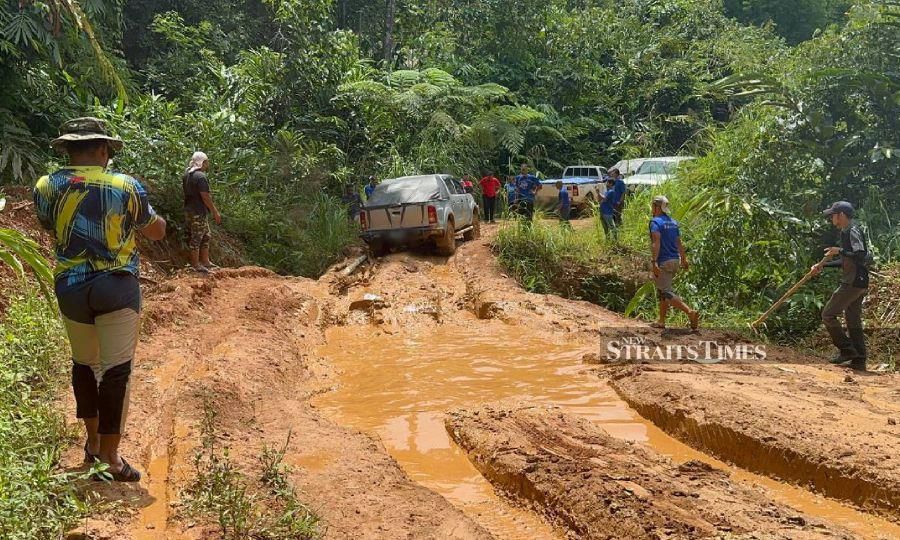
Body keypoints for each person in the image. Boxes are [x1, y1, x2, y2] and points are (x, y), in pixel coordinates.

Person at [33, 117, 167, 482]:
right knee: (115, 370)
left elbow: (51, 227)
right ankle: (110, 457)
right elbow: (154, 231)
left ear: (68, 149)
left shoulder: (47, 186)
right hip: (116, 287)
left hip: (71, 287)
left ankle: (92, 443)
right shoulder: (126, 186)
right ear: (104, 150)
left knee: (84, 365)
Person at [810, 201, 870, 371]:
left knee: (828, 314)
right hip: (858, 281)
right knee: (853, 320)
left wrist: (840, 250)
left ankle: (847, 350)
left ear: (841, 215)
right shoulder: (846, 231)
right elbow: (846, 260)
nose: (831, 219)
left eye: (833, 215)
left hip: (853, 281)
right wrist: (823, 265)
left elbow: (860, 256)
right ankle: (859, 360)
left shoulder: (852, 230)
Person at [648, 195, 699, 330]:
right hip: (675, 260)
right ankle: (661, 321)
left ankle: (690, 312)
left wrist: (654, 262)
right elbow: (678, 242)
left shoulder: (655, 222)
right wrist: (684, 259)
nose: (652, 208)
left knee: (665, 292)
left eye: (653, 206)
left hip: (663, 261)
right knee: (664, 291)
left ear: (657, 207)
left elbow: (656, 243)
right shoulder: (673, 222)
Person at [183, 152, 221, 274]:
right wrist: (215, 211)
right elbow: (205, 196)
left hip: (190, 210)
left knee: (206, 235)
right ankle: (195, 264)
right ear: (202, 162)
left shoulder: (187, 175)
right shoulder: (201, 177)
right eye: (206, 161)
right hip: (198, 211)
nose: (208, 164)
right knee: (197, 237)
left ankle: (205, 261)